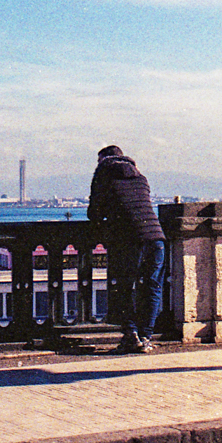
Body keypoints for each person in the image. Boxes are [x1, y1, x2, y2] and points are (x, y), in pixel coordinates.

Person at [87, 145, 166, 352]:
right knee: (152, 287)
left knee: (123, 286)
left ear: (103, 159)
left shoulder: (103, 174)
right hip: (156, 237)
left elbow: (94, 212)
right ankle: (146, 337)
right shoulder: (141, 178)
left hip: (130, 238)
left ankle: (131, 335)